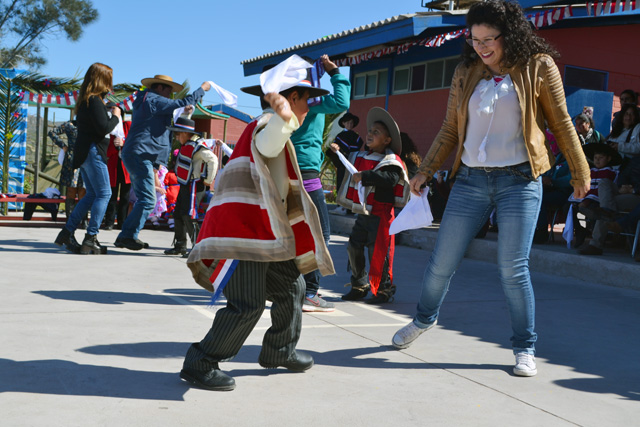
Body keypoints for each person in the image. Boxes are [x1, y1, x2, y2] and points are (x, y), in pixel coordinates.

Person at [390, 0, 590, 377]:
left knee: (512, 269)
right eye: (474, 39)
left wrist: (580, 170)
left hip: (520, 181)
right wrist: (426, 169)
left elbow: (562, 123)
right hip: (470, 180)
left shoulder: (538, 66)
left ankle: (524, 346)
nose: (481, 47)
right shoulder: (466, 71)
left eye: (489, 39)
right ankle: (423, 319)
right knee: (441, 261)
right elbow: (450, 128)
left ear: (508, 35)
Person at [179, 71, 334, 392]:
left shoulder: (268, 127)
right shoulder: (266, 126)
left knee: (292, 288)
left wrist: (284, 120)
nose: (309, 107)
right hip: (245, 235)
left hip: (265, 235)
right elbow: (269, 143)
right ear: (291, 99)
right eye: (306, 100)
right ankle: (201, 362)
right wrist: (284, 118)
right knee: (247, 305)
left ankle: (280, 350)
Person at [115, 75, 210, 251]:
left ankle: (127, 235)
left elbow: (159, 125)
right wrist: (202, 89)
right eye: (169, 91)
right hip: (140, 154)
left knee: (145, 199)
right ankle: (127, 236)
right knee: (148, 199)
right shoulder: (154, 99)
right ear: (160, 88)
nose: (171, 95)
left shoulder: (148, 100)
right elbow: (184, 101)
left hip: (140, 154)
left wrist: (156, 163)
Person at [330, 107, 409, 304]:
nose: (370, 134)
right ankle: (359, 285)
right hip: (364, 214)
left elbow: (390, 179)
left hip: (381, 216)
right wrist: (334, 153)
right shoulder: (361, 156)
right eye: (370, 131)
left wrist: (364, 176)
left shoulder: (392, 161)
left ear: (387, 140)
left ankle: (383, 290)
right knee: (354, 247)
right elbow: (345, 165)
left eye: (376, 132)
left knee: (378, 252)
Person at [290, 54, 350, 313]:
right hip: (306, 173)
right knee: (320, 233)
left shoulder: (283, 101)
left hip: (288, 169)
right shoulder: (311, 102)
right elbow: (341, 102)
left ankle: (290, 287)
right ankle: (310, 293)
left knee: (293, 232)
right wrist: (335, 72)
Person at [54, 62, 122, 255]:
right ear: (102, 80)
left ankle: (67, 233)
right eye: (109, 79)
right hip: (93, 152)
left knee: (92, 194)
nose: (111, 83)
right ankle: (91, 238)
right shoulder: (94, 101)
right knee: (105, 194)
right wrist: (116, 116)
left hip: (86, 152)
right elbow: (103, 128)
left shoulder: (87, 100)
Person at [164, 117, 218, 257]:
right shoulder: (187, 145)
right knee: (178, 214)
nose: (176, 137)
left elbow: (213, 159)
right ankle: (180, 245)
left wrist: (209, 180)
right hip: (185, 184)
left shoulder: (197, 147)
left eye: (178, 134)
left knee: (189, 215)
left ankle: (198, 248)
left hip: (195, 185)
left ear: (185, 133)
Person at [579, 155, 640, 256]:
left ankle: (595, 245)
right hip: (626, 190)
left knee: (607, 204)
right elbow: (623, 175)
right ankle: (607, 211)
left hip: (636, 195)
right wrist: (622, 186)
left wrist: (633, 190)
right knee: (604, 182)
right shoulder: (636, 159)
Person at [48, 120, 86, 221]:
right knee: (71, 190)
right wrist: (63, 146)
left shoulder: (91, 123)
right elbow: (51, 132)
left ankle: (84, 219)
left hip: (86, 159)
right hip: (71, 160)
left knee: (83, 190)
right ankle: (70, 219)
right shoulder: (69, 125)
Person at [103, 104, 131, 230]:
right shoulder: (108, 127)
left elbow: (134, 144)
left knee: (125, 197)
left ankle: (122, 223)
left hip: (126, 167)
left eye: (113, 109)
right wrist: (115, 146)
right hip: (112, 165)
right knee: (111, 195)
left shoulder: (128, 126)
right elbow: (105, 149)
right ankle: (109, 222)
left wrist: (123, 143)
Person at [330, 112, 364, 209]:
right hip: (342, 164)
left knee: (351, 184)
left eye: (351, 123)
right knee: (341, 182)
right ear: (343, 123)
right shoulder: (339, 136)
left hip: (353, 164)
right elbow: (335, 150)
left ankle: (349, 206)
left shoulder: (356, 137)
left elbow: (358, 147)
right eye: (348, 122)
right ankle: (340, 205)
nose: (350, 125)